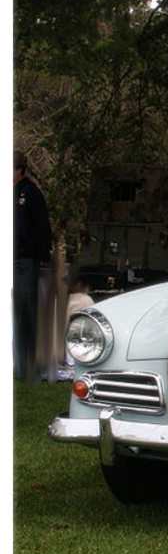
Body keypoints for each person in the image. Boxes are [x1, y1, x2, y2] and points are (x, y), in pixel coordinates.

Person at [14, 150, 52, 381]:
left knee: (29, 314)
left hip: (26, 261)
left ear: (19, 170)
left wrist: (40, 255)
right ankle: (20, 367)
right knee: (17, 316)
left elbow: (41, 228)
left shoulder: (31, 193)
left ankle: (34, 368)